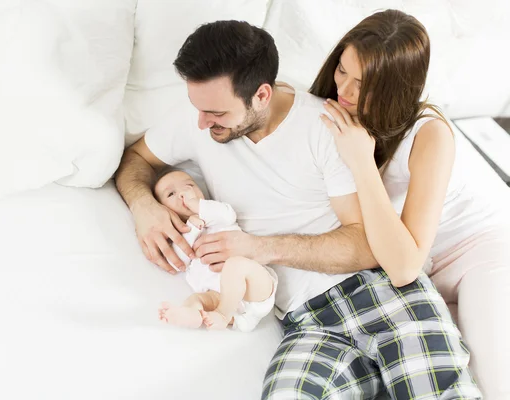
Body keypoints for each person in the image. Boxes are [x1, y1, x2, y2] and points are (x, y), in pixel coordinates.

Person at [115, 20, 481, 399]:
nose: (203, 122)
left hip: (381, 293)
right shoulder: (197, 118)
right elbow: (135, 158)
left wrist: (259, 247)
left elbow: (368, 245)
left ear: (260, 95)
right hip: (307, 323)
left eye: (218, 113)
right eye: (342, 71)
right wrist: (145, 207)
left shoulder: (330, 125)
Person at [316, 9, 509, 399]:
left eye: (363, 84)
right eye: (342, 71)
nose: (346, 92)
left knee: (494, 382)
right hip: (416, 263)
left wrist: (359, 160)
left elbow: (404, 266)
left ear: (395, 88)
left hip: (475, 252)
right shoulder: (327, 107)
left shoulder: (430, 133)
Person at [153, 168, 278, 332]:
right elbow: (176, 262)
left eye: (189, 185)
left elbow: (227, 215)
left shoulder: (217, 215)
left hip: (253, 287)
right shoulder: (181, 235)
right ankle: (192, 314)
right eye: (171, 194)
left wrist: (197, 206)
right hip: (218, 296)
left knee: (235, 265)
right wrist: (191, 228)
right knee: (197, 298)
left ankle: (222, 314)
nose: (183, 193)